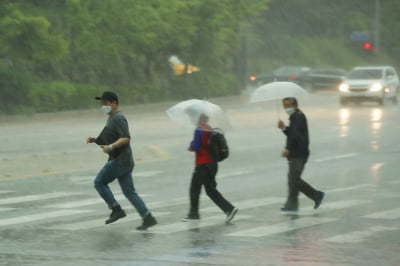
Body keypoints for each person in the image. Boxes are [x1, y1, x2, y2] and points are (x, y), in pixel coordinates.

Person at [86, 91, 157, 230]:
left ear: (114, 103)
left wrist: (111, 147)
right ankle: (148, 217)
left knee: (99, 182)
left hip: (120, 160)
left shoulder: (119, 118)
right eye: (102, 103)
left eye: (106, 103)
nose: (103, 106)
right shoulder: (112, 118)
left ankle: (116, 209)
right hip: (125, 160)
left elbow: (126, 137)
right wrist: (95, 140)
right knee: (129, 192)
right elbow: (110, 136)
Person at [183, 114, 238, 223]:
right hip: (212, 164)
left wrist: (190, 146)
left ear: (198, 119)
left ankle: (194, 213)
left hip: (202, 164)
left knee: (195, 189)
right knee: (210, 190)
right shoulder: (209, 129)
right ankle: (228, 209)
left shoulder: (199, 130)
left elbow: (196, 146)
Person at [277, 97, 325, 212]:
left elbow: (295, 136)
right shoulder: (295, 117)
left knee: (294, 180)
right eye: (284, 106)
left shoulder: (298, 117)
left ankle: (316, 195)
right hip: (297, 152)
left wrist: (288, 148)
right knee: (292, 179)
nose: (286, 108)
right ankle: (292, 205)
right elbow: (292, 133)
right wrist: (283, 128)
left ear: (295, 105)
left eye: (288, 105)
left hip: (299, 153)